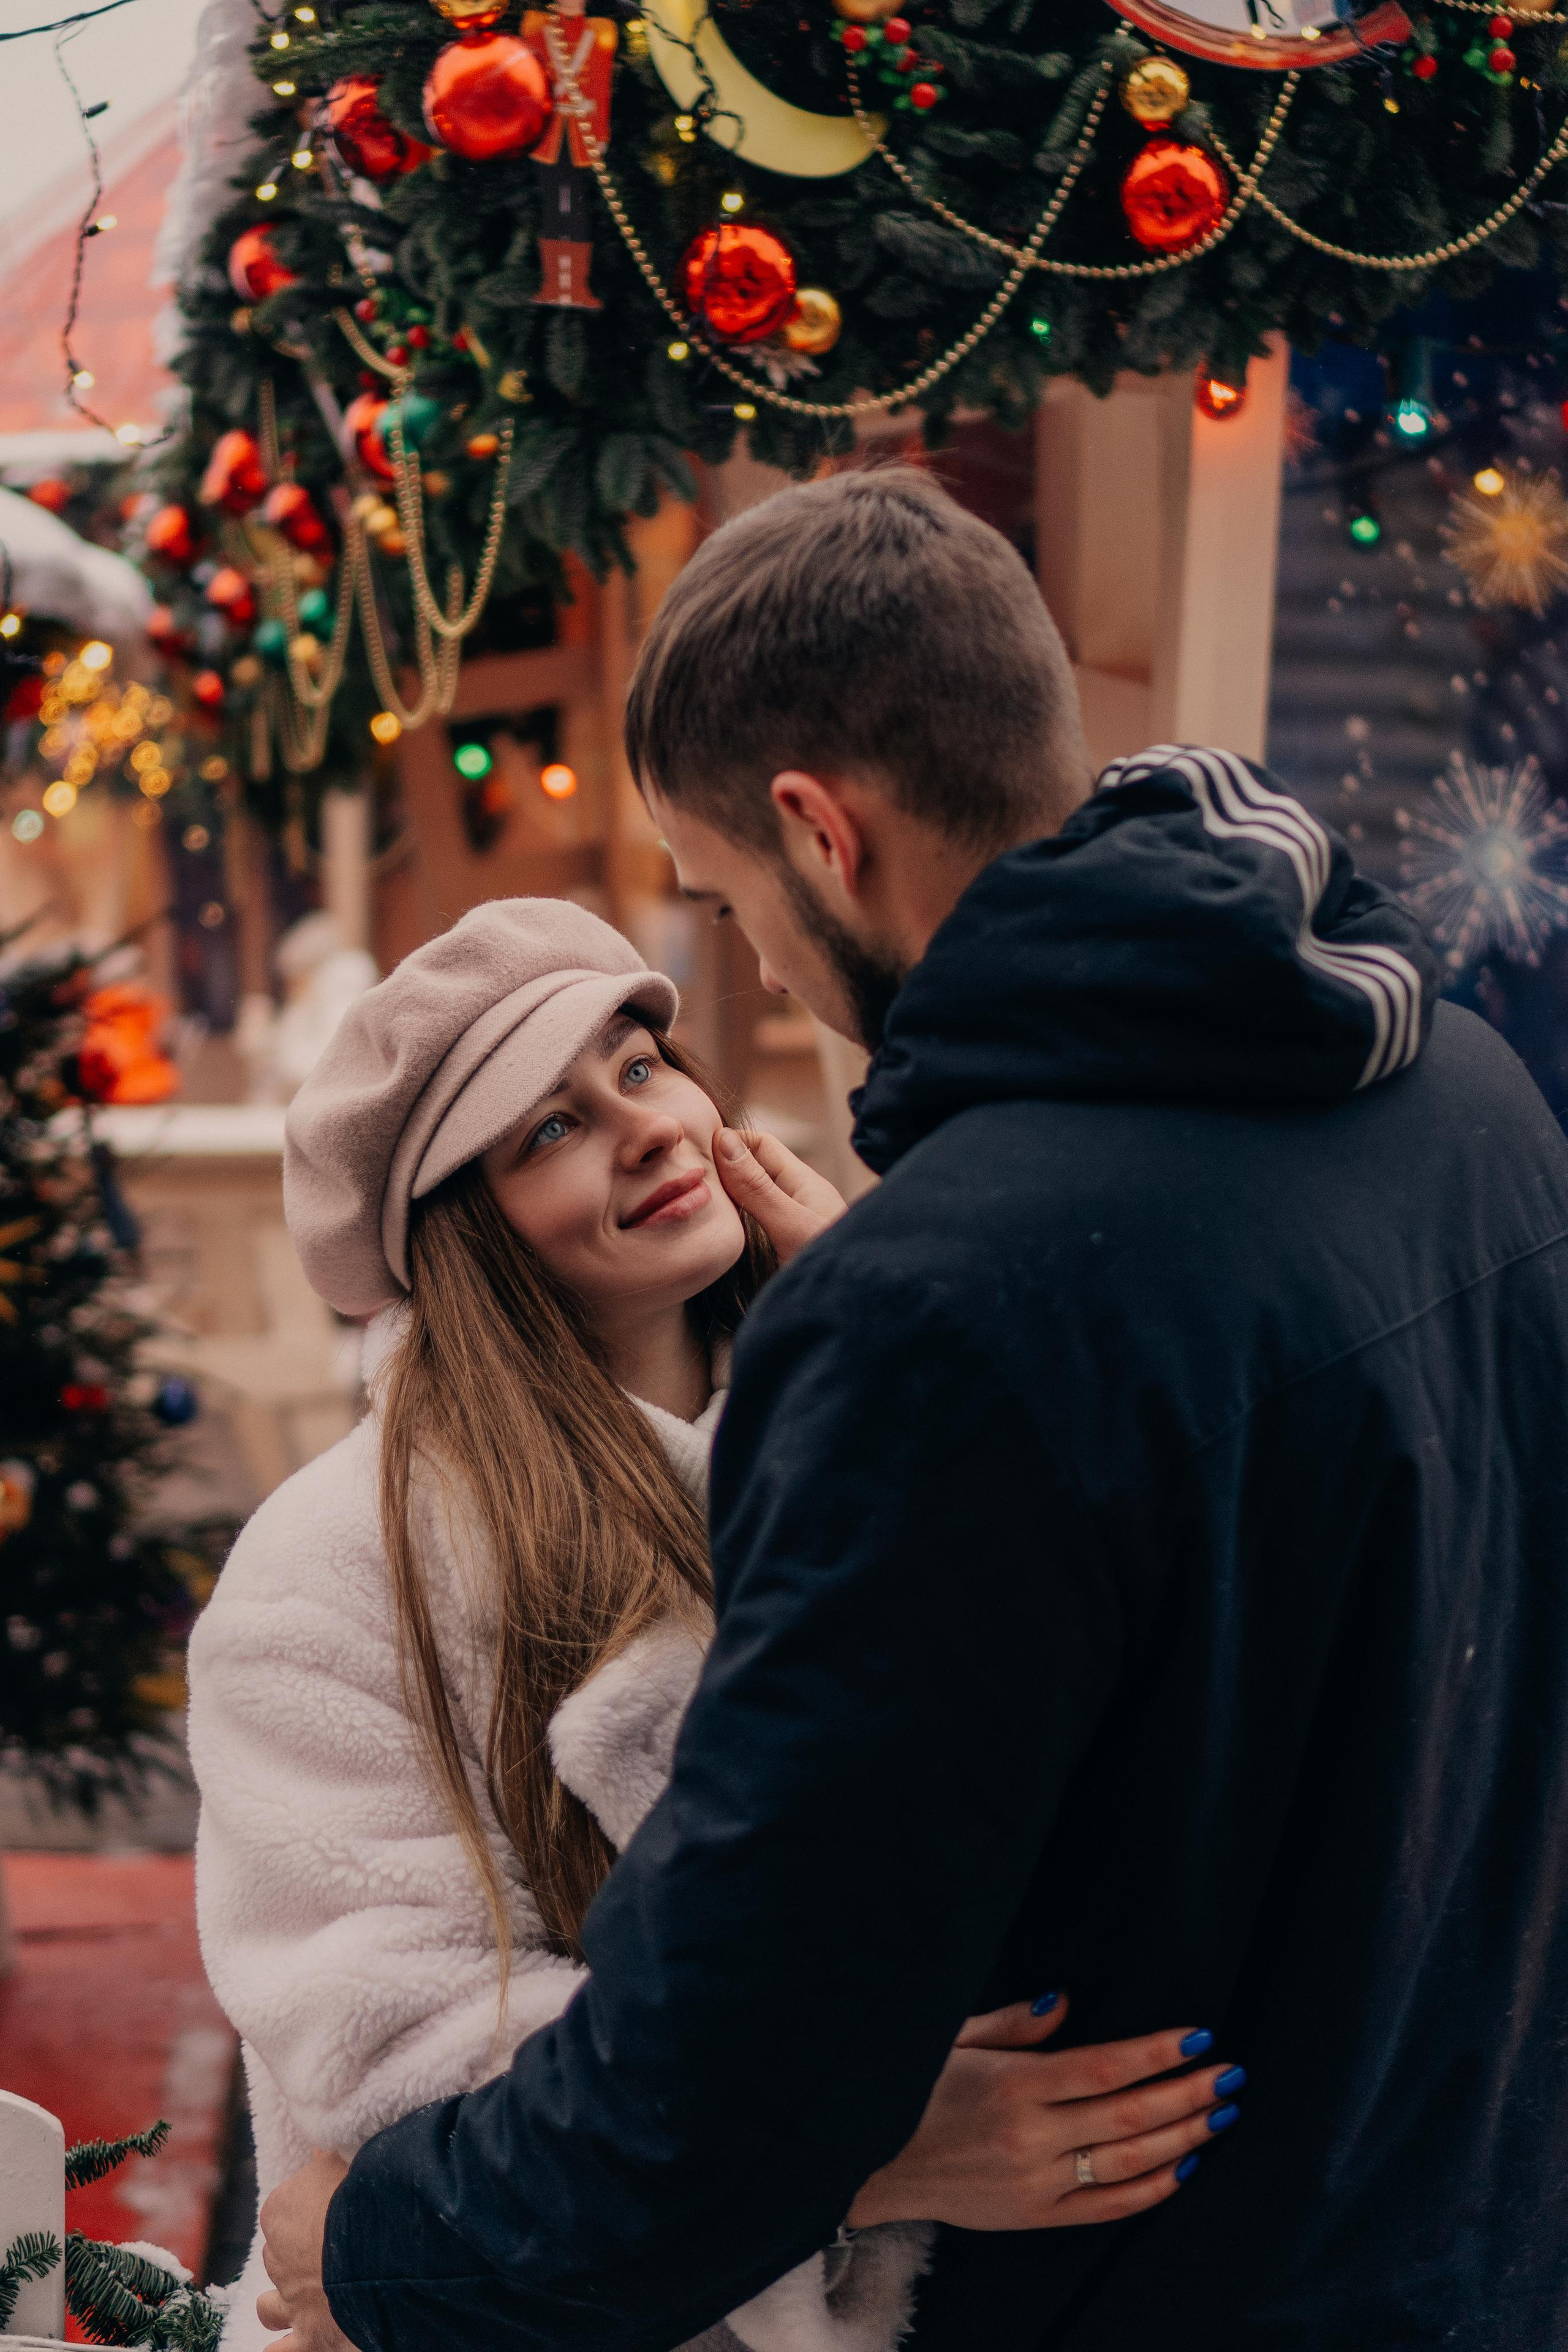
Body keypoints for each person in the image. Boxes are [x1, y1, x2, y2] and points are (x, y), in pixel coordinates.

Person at [260, 469, 1568, 2350]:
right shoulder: (1473, 1104)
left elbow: (731, 2078)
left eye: (726, 911)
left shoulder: (938, 1317)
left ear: (819, 831)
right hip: (1484, 2250)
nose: (763, 979)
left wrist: (359, 2244)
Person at [186, 896, 1239, 2352]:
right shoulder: (334, 1567)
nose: (643, 1129)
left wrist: (911, 1346)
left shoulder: (865, 1423)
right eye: (545, 1131)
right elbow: (388, 2056)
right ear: (462, 1241)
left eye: (636, 1069)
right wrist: (872, 2146)